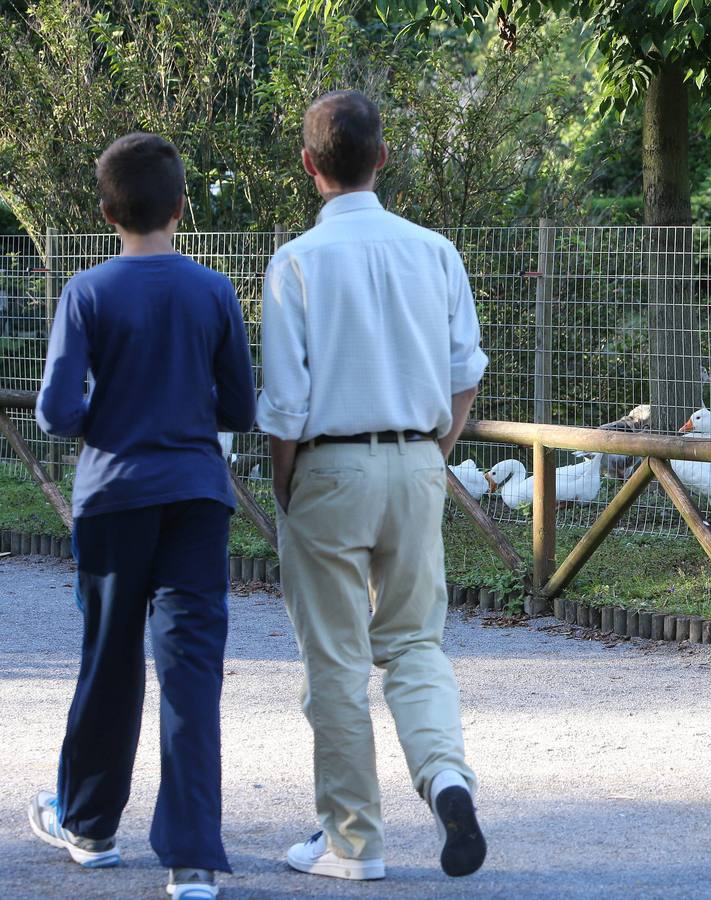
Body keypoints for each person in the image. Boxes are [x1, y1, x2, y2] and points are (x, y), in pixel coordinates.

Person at [257, 90, 488, 882]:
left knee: (335, 662)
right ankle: (445, 778)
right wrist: (436, 447)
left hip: (327, 464)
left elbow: (285, 402)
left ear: (308, 166)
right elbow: (465, 372)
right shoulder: (436, 251)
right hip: (419, 461)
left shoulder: (295, 263)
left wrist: (288, 484)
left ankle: (353, 843)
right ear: (382, 158)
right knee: (415, 643)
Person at [31, 132, 256, 900]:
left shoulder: (88, 292)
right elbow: (239, 406)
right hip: (196, 496)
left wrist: (111, 408)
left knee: (110, 659)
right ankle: (193, 859)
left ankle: (91, 828)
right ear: (180, 208)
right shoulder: (214, 290)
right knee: (191, 672)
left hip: (113, 499)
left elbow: (57, 412)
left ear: (105, 213)